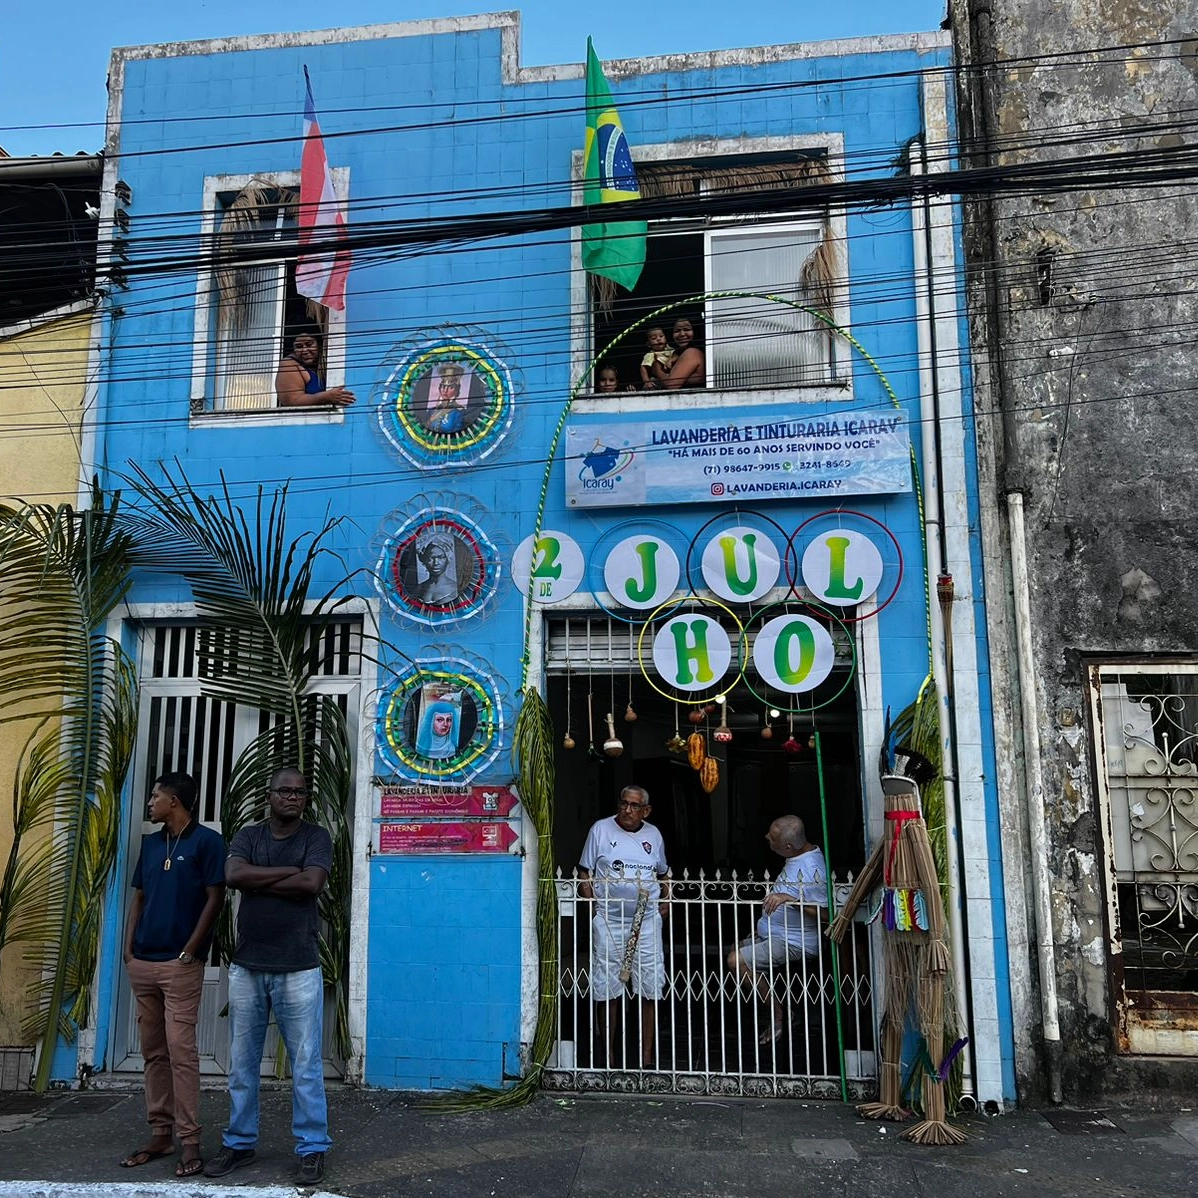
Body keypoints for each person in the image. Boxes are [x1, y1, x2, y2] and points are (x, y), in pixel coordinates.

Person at [204, 768, 333, 1185]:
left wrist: (260, 880)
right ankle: (239, 1143)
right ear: (269, 794)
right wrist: (287, 875)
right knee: (242, 1064)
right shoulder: (249, 836)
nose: (292, 798)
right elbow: (234, 876)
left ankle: (312, 1148)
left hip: (299, 966)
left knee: (307, 1066)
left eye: (299, 792)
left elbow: (312, 883)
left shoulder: (316, 838)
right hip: (248, 966)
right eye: (285, 791)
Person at [119, 772, 226, 1179]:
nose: (150, 803)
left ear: (175, 802)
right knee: (153, 1053)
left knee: (181, 1053)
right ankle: (160, 1133)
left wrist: (190, 951)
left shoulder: (208, 843)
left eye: (155, 796)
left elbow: (215, 899)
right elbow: (139, 897)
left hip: (179, 966)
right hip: (143, 963)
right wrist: (128, 950)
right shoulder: (149, 844)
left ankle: (191, 1140)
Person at [578, 785, 670, 1069]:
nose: (627, 810)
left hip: (647, 919)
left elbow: (664, 873)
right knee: (608, 986)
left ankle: (646, 1057)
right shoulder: (600, 830)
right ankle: (608, 1055)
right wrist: (590, 901)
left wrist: (668, 899)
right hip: (610, 919)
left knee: (649, 984)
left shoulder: (653, 834)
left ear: (646, 810)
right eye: (623, 804)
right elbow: (584, 871)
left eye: (634, 806)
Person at [727, 815, 828, 1044]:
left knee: (736, 961)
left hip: (795, 942)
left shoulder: (812, 869)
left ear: (788, 846)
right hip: (778, 935)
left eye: (772, 838)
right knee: (736, 948)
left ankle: (780, 1015)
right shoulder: (799, 856)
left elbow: (827, 915)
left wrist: (790, 899)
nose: (766, 838)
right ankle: (768, 1000)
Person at [274, 332, 356, 408]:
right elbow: (292, 401)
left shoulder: (326, 362)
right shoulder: (288, 364)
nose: (305, 350)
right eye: (299, 347)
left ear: (318, 344)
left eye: (309, 344)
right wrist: (326, 397)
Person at [652, 317, 706, 389]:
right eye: (677, 331)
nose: (682, 334)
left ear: (695, 331)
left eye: (687, 329)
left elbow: (672, 384)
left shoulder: (692, 353)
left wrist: (657, 369)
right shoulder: (675, 354)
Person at [413, 531, 459, 604]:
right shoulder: (419, 588)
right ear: (424, 559)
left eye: (441, 557)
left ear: (447, 559)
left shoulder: (455, 587)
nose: (436, 562)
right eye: (431, 558)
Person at [424, 362, 468, 432]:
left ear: (456, 390)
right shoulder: (431, 411)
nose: (445, 390)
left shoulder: (460, 412)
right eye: (443, 386)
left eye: (450, 387)